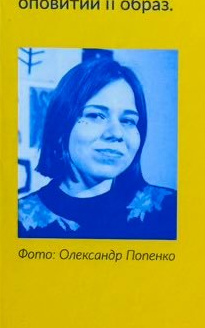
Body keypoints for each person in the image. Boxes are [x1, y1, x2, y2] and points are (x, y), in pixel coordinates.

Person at [18, 55, 176, 240]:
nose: (116, 133)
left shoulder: (170, 212)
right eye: (95, 115)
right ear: (61, 128)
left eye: (128, 120)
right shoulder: (19, 222)